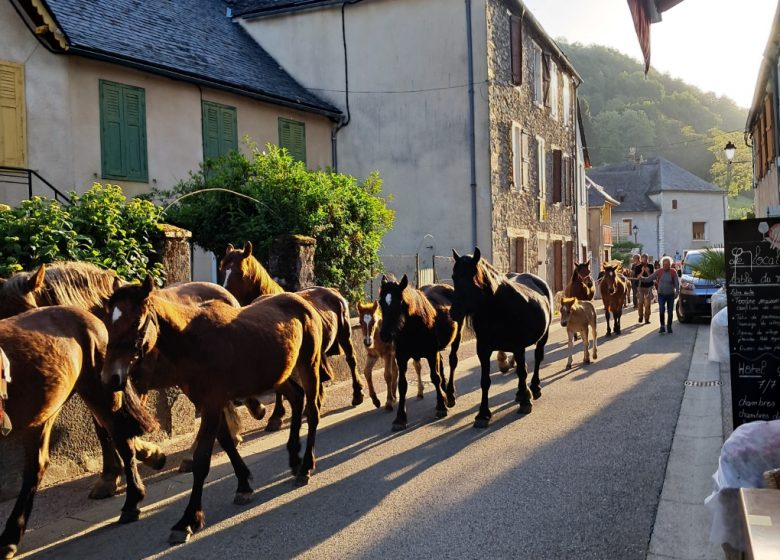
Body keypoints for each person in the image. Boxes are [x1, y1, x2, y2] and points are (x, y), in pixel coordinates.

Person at [654, 256, 680, 334]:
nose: (665, 266)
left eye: (667, 264)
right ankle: (662, 326)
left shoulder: (673, 271)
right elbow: (650, 278)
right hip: (661, 294)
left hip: (670, 295)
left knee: (670, 312)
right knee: (661, 310)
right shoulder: (659, 271)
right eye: (664, 264)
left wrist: (677, 292)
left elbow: (677, 283)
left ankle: (669, 326)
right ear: (662, 264)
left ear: (670, 264)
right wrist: (642, 278)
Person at [633, 253, 654, 324]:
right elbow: (637, 277)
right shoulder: (638, 267)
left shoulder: (651, 266)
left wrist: (648, 272)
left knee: (648, 304)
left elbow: (652, 277)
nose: (644, 261)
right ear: (641, 259)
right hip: (640, 287)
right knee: (640, 302)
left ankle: (647, 318)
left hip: (648, 287)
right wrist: (642, 271)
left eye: (646, 259)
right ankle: (641, 316)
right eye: (643, 259)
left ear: (647, 259)